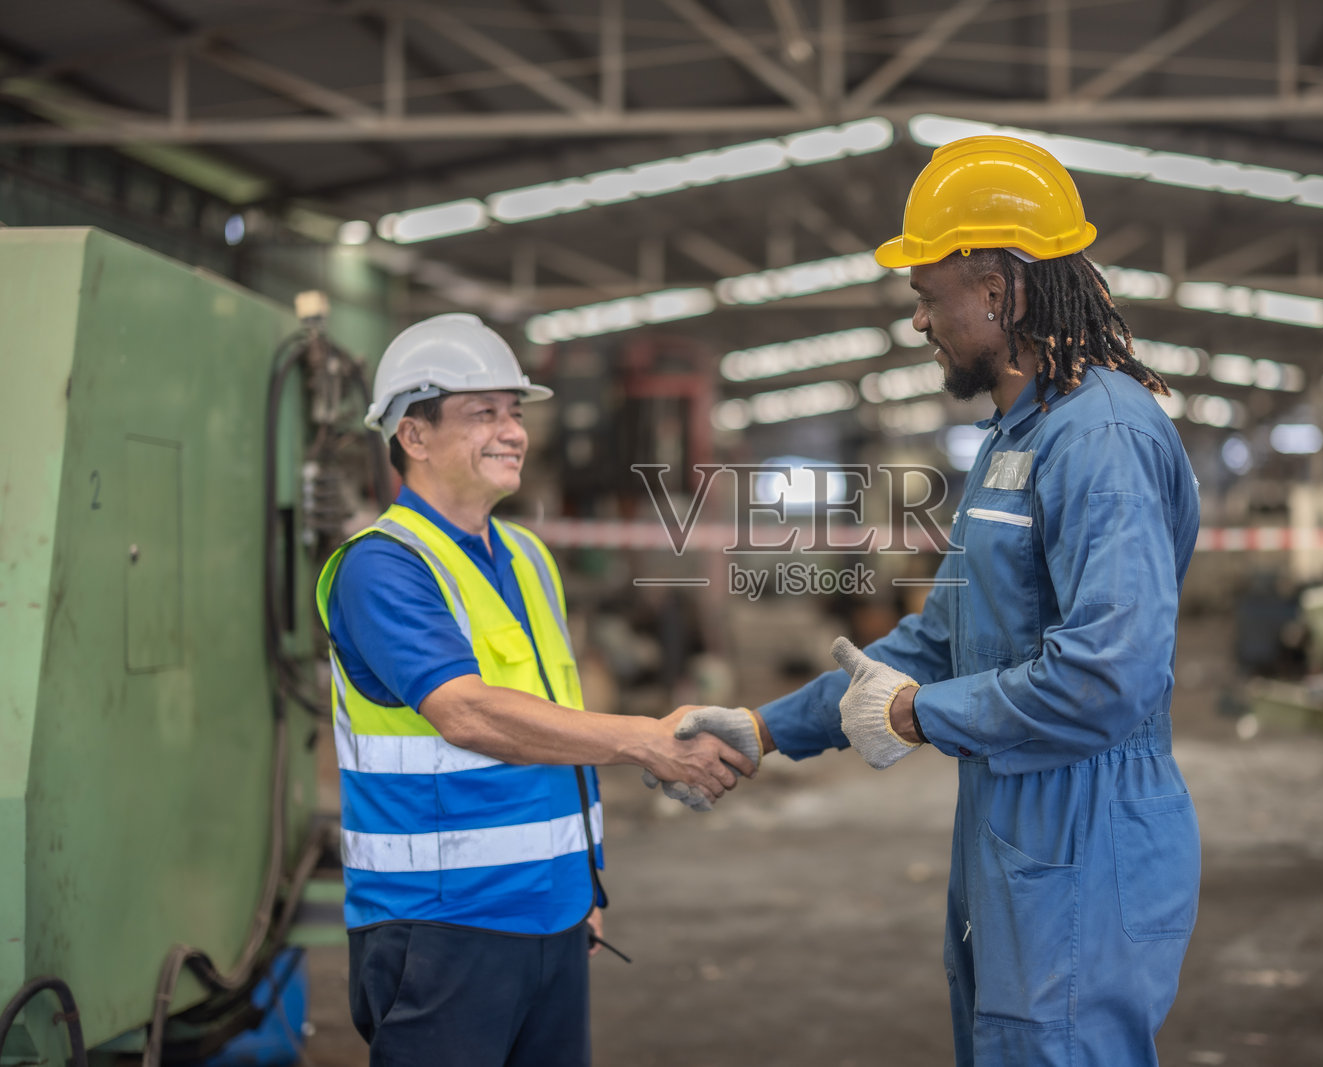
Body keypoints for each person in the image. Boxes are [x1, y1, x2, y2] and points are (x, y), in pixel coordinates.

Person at [666, 135, 1202, 1066]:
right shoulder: (1015, 437)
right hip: (1012, 816)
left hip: (1085, 822)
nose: (917, 322)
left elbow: (1109, 675)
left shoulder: (1101, 436)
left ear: (997, 289)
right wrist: (767, 725)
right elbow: (945, 636)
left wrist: (918, 716)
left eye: (926, 294)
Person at [316, 312, 755, 1067]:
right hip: (441, 924)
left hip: (549, 914)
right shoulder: (382, 566)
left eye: (515, 413)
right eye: (482, 413)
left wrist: (580, 883)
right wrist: (647, 739)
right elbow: (467, 712)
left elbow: (553, 721)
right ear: (412, 436)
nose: (512, 431)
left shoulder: (524, 553)